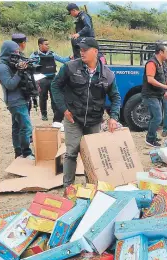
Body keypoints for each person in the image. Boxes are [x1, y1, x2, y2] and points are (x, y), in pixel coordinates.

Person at [51, 37, 121, 187]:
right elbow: (55, 86)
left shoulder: (108, 75)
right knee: (71, 153)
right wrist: (64, 110)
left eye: (85, 50)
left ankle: (91, 186)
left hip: (94, 120)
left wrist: (113, 117)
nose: (81, 52)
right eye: (80, 49)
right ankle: (68, 187)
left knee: (92, 154)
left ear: (95, 51)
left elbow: (115, 97)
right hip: (73, 118)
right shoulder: (70, 67)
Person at [0, 41, 34, 159]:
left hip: (21, 98)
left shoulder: (10, 63)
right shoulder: (2, 67)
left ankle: (18, 153)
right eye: (14, 53)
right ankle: (26, 153)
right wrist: (20, 71)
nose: (17, 55)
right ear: (7, 53)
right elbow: (10, 84)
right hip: (15, 101)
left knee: (17, 127)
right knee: (26, 127)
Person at [30, 38, 72, 122]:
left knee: (55, 97)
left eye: (48, 44)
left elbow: (63, 60)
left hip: (53, 78)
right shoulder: (35, 55)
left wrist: (70, 57)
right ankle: (44, 114)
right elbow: (31, 67)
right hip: (42, 79)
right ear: (40, 45)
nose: (48, 46)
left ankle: (56, 113)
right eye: (46, 44)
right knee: (43, 97)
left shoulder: (52, 54)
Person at [143, 43, 167, 147]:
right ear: (161, 52)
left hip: (158, 94)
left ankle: (152, 136)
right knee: (158, 118)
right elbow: (150, 79)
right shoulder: (151, 63)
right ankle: (150, 139)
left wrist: (165, 90)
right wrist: (165, 87)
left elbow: (164, 77)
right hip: (150, 95)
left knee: (154, 117)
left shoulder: (163, 63)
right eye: (166, 52)